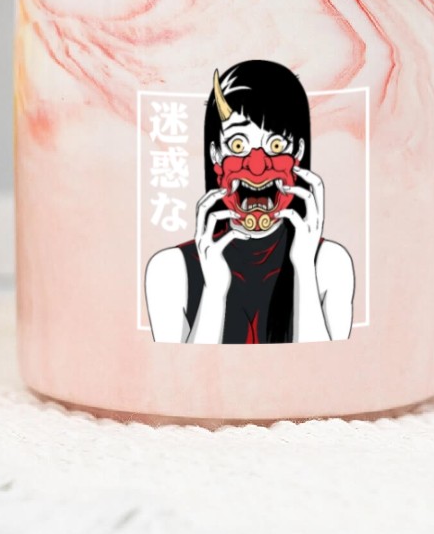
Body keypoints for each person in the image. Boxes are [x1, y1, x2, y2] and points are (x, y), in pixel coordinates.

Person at [145, 60, 355, 344]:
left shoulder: (330, 263)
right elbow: (179, 369)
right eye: (238, 145)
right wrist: (214, 290)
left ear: (299, 153)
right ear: (216, 154)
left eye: (276, 145)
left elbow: (324, 366)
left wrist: (304, 268)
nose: (257, 167)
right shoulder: (170, 270)